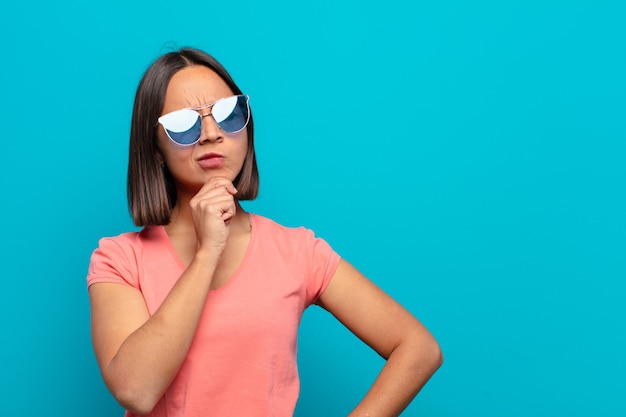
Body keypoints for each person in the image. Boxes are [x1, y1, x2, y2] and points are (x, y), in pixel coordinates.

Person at [87, 47, 443, 417]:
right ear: (155, 147)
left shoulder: (297, 252)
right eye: (184, 123)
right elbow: (136, 390)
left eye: (228, 114)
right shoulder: (119, 259)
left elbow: (418, 348)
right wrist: (208, 253)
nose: (211, 134)